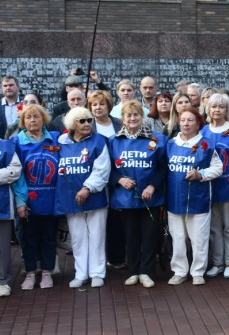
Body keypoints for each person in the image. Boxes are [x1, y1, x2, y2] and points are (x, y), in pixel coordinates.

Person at [108, 100, 167, 288]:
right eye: (129, 115)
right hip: (125, 199)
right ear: (122, 119)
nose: (133, 118)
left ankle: (147, 272)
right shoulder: (114, 141)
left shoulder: (157, 139)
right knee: (131, 236)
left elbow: (164, 168)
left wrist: (152, 186)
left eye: (136, 115)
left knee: (150, 236)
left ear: (142, 117)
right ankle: (133, 271)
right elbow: (106, 168)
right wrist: (119, 179)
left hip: (151, 197)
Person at [55, 107, 111, 288]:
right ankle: (81, 273)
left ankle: (97, 273)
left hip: (94, 196)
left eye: (89, 120)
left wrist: (88, 188)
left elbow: (102, 169)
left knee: (97, 235)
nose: (87, 124)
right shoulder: (61, 142)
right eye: (82, 121)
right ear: (72, 124)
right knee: (78, 238)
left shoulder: (99, 141)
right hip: (70, 197)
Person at [166, 107, 222, 286]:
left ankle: (198, 271)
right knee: (178, 237)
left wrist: (201, 173)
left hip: (199, 198)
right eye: (183, 120)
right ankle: (179, 271)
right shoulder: (171, 144)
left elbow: (218, 168)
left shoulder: (207, 144)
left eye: (190, 120)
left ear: (198, 123)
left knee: (199, 238)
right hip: (175, 199)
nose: (186, 124)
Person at [13, 104, 60, 290]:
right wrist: (21, 201)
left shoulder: (55, 139)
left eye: (36, 117)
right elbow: (17, 176)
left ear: (44, 119)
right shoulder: (17, 142)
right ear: (23, 121)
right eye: (28, 117)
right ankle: (31, 273)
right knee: (28, 238)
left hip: (51, 200)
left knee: (49, 237)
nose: (33, 120)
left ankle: (47, 272)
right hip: (28, 201)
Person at [201, 94, 229, 280]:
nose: (217, 110)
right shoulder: (203, 130)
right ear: (208, 110)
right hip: (209, 186)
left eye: (221, 106)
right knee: (213, 227)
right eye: (213, 107)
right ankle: (217, 262)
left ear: (227, 109)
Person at [88, 90, 125, 269]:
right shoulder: (87, 125)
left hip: (118, 175)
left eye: (101, 104)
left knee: (115, 219)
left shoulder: (119, 124)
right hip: (97, 175)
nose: (98, 107)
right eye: (94, 104)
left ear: (108, 106)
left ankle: (116, 257)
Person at [0, 135, 25, 297]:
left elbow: (15, 169)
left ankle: (2, 281)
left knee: (2, 246)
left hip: (2, 203)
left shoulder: (6, 146)